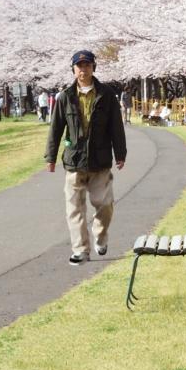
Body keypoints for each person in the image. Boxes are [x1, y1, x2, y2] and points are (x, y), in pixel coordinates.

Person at [43, 50, 126, 265]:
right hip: (74, 161)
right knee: (75, 209)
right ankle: (80, 250)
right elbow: (56, 128)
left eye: (87, 65)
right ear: (73, 69)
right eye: (79, 65)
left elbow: (116, 126)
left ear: (93, 67)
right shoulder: (65, 97)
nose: (83, 69)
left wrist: (121, 153)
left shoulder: (107, 95)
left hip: (100, 161)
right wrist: (50, 157)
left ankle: (100, 236)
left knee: (105, 205)